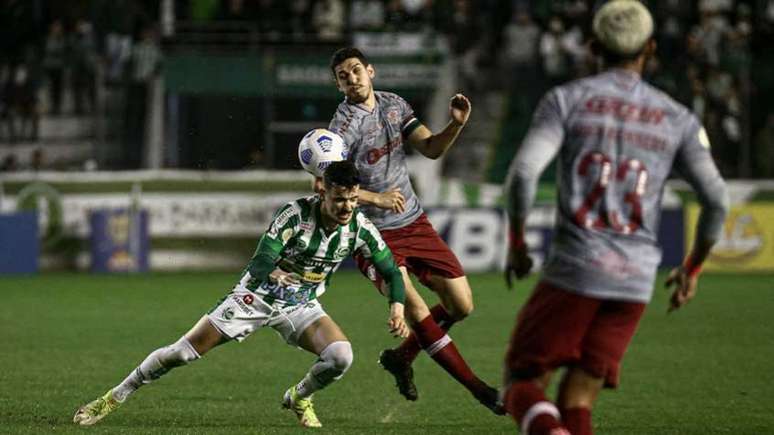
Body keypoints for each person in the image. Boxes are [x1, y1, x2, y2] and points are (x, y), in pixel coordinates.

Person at [501, 1, 729, 434]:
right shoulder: (677, 117)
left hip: (577, 268)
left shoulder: (566, 100)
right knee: (579, 397)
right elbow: (717, 199)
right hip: (635, 281)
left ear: (592, 47)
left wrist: (516, 242)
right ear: (651, 49)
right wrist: (693, 267)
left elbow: (524, 174)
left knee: (522, 381)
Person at [73, 161, 410, 428]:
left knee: (341, 356)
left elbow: (392, 271)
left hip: (300, 304)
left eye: (353, 199)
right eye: (340, 199)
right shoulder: (294, 215)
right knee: (182, 353)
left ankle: (299, 397)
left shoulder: (360, 229)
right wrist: (275, 272)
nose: (347, 206)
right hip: (256, 295)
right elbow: (262, 259)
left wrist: (396, 307)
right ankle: (114, 396)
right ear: (323, 193)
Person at [326, 47, 503, 413]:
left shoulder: (394, 105)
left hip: (413, 222)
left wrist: (455, 124)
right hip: (371, 235)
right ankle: (479, 389)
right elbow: (330, 188)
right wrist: (376, 198)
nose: (352, 78)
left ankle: (401, 358)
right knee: (417, 309)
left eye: (356, 70)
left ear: (370, 71)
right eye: (343, 76)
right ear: (338, 85)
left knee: (461, 305)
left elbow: (431, 149)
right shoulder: (342, 128)